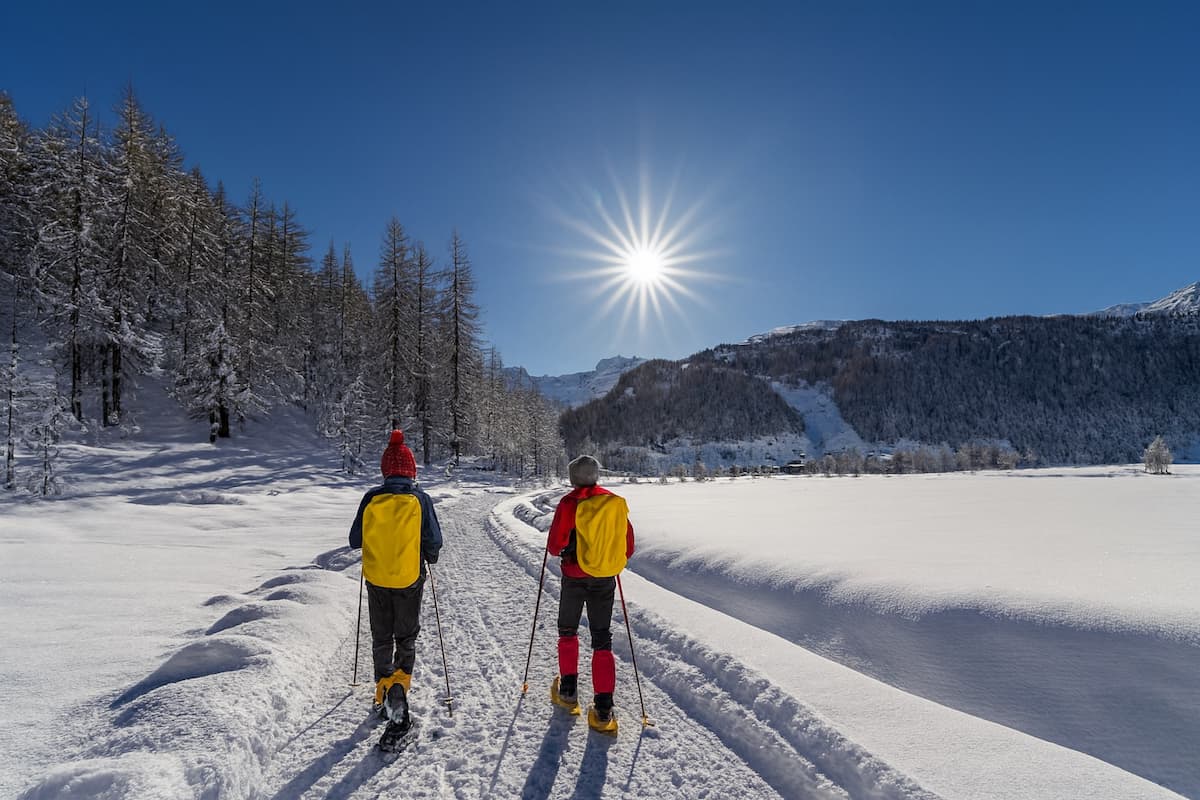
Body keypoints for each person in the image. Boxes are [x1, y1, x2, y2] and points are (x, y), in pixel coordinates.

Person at [348, 429, 442, 747]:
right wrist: (428, 555)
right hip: (409, 580)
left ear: (385, 470)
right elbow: (434, 542)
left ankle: (382, 691)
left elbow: (354, 540)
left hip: (376, 579)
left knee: (380, 636)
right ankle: (399, 700)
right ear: (411, 470)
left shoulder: (371, 498)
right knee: (405, 636)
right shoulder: (420, 499)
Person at [546, 454, 635, 733]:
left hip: (574, 576)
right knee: (601, 638)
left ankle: (568, 691)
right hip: (605, 578)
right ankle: (604, 710)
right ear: (596, 476)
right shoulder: (614, 502)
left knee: (568, 631)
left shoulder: (569, 503)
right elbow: (627, 546)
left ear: (573, 478)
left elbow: (554, 545)